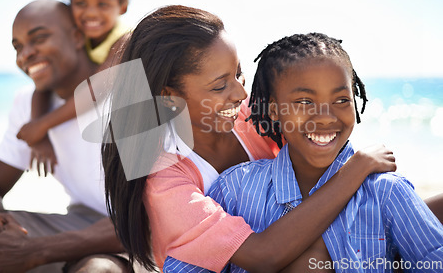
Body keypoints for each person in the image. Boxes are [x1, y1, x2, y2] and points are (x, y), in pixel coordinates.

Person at [102, 5, 397, 273]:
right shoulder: (164, 178)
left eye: (239, 75)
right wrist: (356, 169)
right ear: (168, 97)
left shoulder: (248, 118)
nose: (241, 94)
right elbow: (261, 256)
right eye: (220, 86)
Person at [164, 33, 443, 272]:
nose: (325, 117)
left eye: (342, 100)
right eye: (304, 101)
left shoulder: (388, 192)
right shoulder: (234, 190)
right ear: (273, 109)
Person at [0, 0, 143, 273]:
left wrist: (36, 250)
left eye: (38, 38)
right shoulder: (29, 105)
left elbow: (148, 218)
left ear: (76, 37)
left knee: (97, 270)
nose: (25, 55)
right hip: (81, 220)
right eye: (17, 47)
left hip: (139, 235)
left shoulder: (127, 94)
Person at [16, 0, 131, 175]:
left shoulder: (125, 39)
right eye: (81, 3)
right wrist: (38, 135)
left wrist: (43, 125)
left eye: (103, 4)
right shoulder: (78, 36)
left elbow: (97, 89)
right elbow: (42, 88)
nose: (90, 13)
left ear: (123, 6)